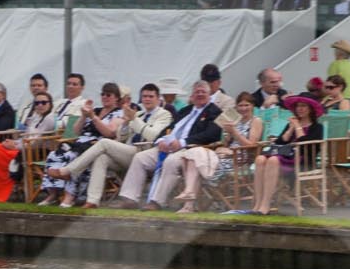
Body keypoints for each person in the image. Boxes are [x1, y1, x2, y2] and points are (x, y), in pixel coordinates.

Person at [48, 82, 175, 207]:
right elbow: (122, 137)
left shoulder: (164, 114)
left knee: (104, 143)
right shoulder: (138, 114)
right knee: (101, 158)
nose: (147, 99)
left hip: (146, 153)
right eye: (144, 96)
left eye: (151, 96)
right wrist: (126, 124)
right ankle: (92, 201)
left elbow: (153, 135)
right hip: (130, 151)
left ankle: (69, 170)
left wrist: (134, 120)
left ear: (158, 99)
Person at [125, 80, 225, 210]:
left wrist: (182, 142)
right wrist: (161, 140)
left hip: (190, 150)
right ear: (192, 95)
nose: (200, 94)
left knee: (171, 162)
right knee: (140, 158)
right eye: (197, 92)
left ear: (209, 94)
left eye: (203, 92)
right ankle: (129, 198)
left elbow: (211, 134)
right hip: (169, 147)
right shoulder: (185, 110)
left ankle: (156, 202)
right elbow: (169, 128)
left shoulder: (215, 112)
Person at [41, 84, 125, 207]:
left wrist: (93, 117)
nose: (105, 97)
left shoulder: (119, 114)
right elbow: (76, 131)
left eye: (108, 95)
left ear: (116, 98)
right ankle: (53, 194)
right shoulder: (95, 110)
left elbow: (109, 133)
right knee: (54, 155)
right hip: (80, 143)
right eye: (103, 94)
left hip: (96, 146)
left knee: (73, 158)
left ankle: (70, 196)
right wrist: (84, 116)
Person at [242, 95, 323, 216]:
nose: (299, 109)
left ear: (310, 109)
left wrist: (297, 127)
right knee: (260, 159)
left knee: (273, 160)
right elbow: (279, 142)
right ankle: (257, 203)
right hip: (286, 156)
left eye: (303, 106)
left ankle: (266, 205)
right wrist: (290, 129)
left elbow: (304, 145)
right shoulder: (291, 124)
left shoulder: (317, 127)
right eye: (298, 106)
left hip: (302, 161)